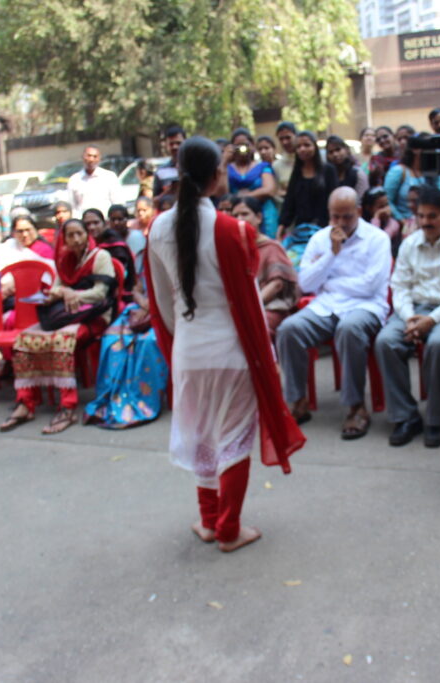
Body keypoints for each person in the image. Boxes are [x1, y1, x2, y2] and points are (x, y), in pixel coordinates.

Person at [145, 136, 304, 552]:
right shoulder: (233, 230)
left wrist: (185, 338)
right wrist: (267, 356)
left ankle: (209, 521)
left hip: (189, 351)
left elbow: (162, 303)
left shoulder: (157, 228)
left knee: (202, 436)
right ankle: (229, 529)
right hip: (231, 353)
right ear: (218, 175)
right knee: (232, 440)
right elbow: (249, 303)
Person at [277, 186, 391, 439]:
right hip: (326, 306)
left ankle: (356, 406)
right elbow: (306, 283)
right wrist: (331, 253)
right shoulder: (320, 239)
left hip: (366, 307)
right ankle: (298, 401)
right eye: (335, 216)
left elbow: (370, 286)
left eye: (347, 216)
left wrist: (329, 283)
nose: (340, 223)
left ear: (358, 211)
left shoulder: (377, 239)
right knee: (289, 329)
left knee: (349, 329)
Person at [374, 185, 440, 448]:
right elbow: (400, 287)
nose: (425, 222)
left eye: (432, 216)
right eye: (421, 216)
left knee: (439, 344)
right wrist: (410, 318)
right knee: (386, 341)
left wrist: (432, 320)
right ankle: (405, 417)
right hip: (413, 311)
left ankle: (436, 419)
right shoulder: (409, 244)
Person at [0, 219, 118, 434]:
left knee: (60, 341)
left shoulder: (100, 257)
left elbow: (101, 293)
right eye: (70, 235)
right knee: (24, 339)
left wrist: (73, 294)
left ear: (87, 234)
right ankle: (25, 402)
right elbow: (55, 288)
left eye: (79, 233)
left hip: (94, 316)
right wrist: (60, 292)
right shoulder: (64, 259)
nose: (75, 239)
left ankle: (67, 406)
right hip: (66, 315)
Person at [82, 220, 169, 430]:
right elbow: (137, 288)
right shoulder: (143, 257)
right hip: (141, 309)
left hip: (166, 312)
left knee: (148, 342)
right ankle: (112, 397)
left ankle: (143, 400)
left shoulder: (177, 259)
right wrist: (144, 303)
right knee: (112, 339)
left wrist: (152, 308)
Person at [231, 197, 299, 336]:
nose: (239, 219)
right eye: (235, 215)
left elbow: (277, 284)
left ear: (259, 217)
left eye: (244, 214)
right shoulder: (234, 250)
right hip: (241, 307)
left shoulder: (271, 247)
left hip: (270, 306)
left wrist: (251, 306)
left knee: (253, 328)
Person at [277, 131, 338, 239]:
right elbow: (289, 202)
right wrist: (281, 227)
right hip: (302, 231)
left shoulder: (329, 170)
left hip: (325, 229)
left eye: (307, 145)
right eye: (298, 146)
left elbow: (334, 200)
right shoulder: (297, 173)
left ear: (314, 146)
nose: (302, 149)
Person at [226, 128, 279, 238]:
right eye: (238, 146)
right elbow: (221, 193)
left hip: (264, 213)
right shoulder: (226, 169)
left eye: (245, 145)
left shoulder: (263, 166)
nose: (242, 149)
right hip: (236, 215)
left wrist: (240, 197)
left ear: (252, 146)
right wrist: (224, 160)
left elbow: (269, 190)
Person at [384, 135, 440, 224]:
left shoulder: (433, 172)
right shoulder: (398, 171)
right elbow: (388, 201)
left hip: (430, 222)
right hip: (404, 222)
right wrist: (402, 221)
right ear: (416, 150)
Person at [83, 208, 135, 296]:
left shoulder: (115, 244)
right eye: (87, 224)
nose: (92, 227)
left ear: (104, 223)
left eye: (96, 223)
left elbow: (122, 274)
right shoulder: (82, 245)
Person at [67, 146, 119, 218]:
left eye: (95, 156)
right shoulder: (74, 180)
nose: (91, 159)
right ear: (83, 157)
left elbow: (117, 202)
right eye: (88, 156)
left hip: (105, 220)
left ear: (99, 159)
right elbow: (72, 206)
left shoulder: (109, 177)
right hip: (83, 221)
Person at [153, 125, 186, 200]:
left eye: (178, 143)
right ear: (166, 145)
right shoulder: (161, 171)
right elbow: (155, 200)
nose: (175, 147)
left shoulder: (194, 168)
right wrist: (168, 192)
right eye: (171, 144)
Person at [126, 195, 156, 260]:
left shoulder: (156, 225)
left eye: (144, 210)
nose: (141, 213)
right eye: (138, 210)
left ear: (152, 210)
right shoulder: (130, 225)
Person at [273, 121, 298, 197]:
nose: (285, 142)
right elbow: (276, 192)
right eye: (281, 139)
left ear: (296, 136)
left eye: (288, 138)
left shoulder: (307, 161)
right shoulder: (276, 165)